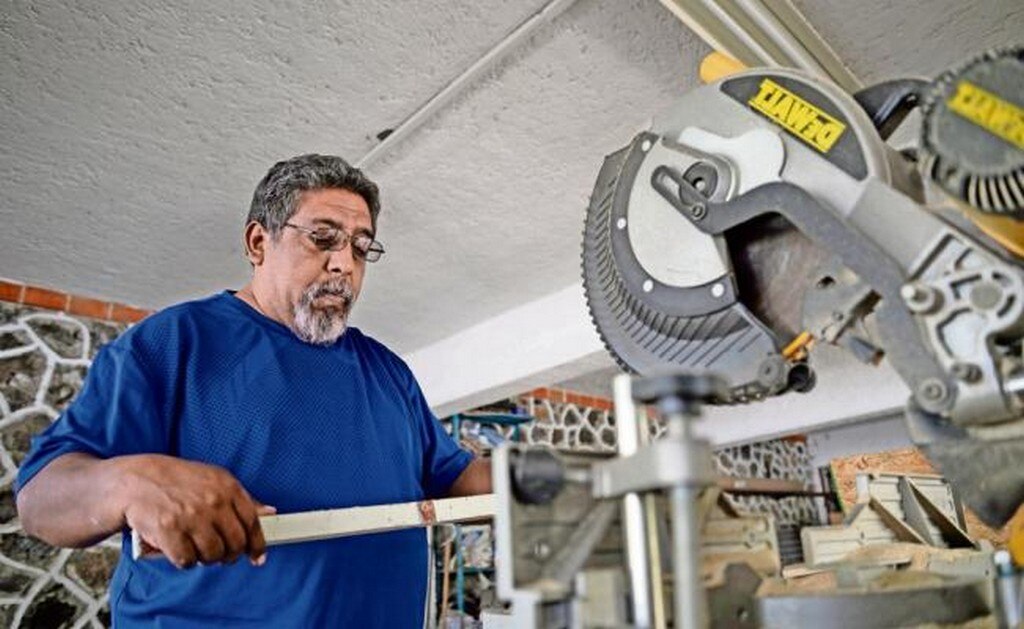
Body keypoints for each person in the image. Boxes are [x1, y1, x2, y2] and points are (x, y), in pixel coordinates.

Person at [15, 154, 492, 627]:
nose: (343, 263)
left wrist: (544, 479)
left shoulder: (389, 373)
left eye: (361, 247)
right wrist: (130, 481)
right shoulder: (173, 342)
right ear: (258, 242)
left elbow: (456, 478)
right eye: (322, 238)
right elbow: (40, 500)